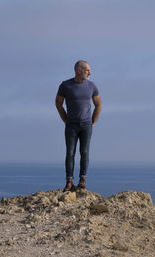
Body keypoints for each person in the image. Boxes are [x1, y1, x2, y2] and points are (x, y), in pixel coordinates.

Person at [55, 60, 102, 191]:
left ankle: (82, 180)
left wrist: (93, 121)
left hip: (86, 125)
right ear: (79, 70)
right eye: (87, 70)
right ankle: (69, 181)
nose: (90, 73)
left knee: (85, 152)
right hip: (71, 125)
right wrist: (65, 119)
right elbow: (58, 103)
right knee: (70, 153)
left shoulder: (92, 86)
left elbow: (98, 104)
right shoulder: (65, 85)